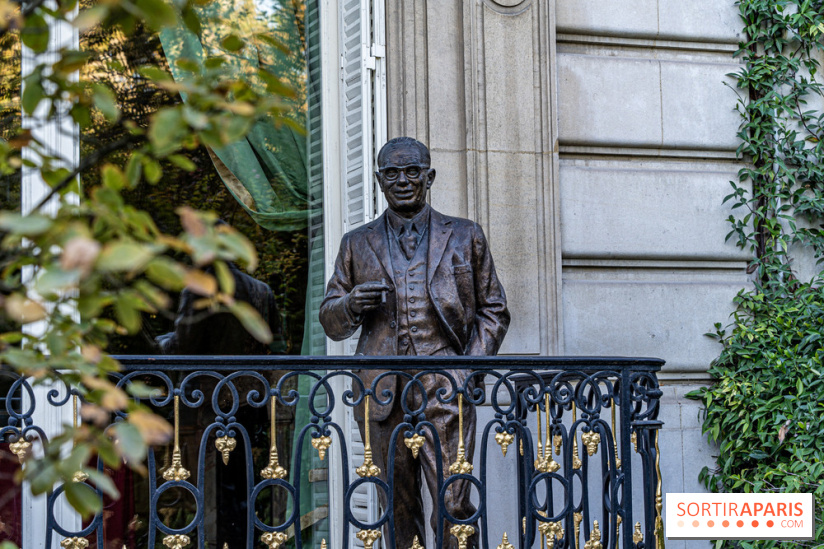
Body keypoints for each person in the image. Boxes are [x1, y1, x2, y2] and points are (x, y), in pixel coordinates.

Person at [320, 136, 510, 549]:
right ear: (378, 180)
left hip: (444, 384)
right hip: (380, 389)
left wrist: (467, 369)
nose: (402, 180)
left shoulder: (464, 235)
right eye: (391, 173)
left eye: (412, 172)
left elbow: (494, 309)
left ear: (429, 177)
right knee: (396, 508)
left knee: (454, 501)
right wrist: (350, 303)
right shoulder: (356, 242)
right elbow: (331, 321)